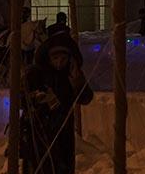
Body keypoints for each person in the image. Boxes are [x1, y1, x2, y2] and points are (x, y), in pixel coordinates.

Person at [22, 36, 94, 174]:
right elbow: (21, 99)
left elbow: (86, 98)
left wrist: (78, 82)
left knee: (62, 168)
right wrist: (36, 98)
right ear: (49, 58)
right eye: (55, 58)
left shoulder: (70, 75)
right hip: (39, 132)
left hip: (63, 133)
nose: (59, 62)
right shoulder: (36, 73)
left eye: (63, 58)